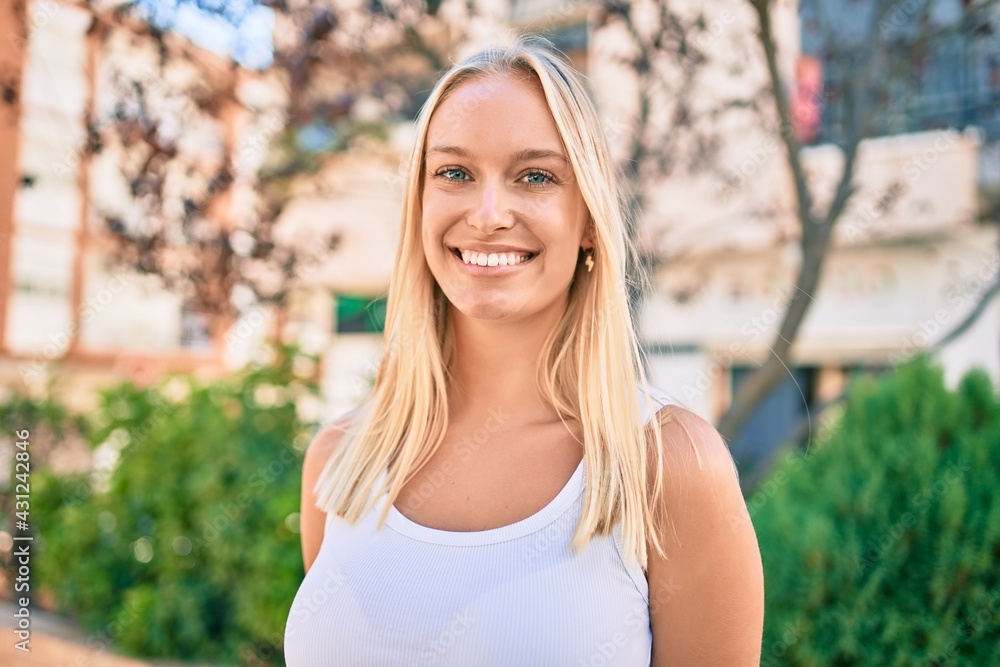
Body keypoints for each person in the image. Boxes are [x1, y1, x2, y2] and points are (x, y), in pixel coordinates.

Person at [283, 37, 764, 666]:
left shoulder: (667, 466)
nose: (488, 214)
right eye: (454, 173)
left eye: (534, 176)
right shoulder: (339, 462)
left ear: (589, 216)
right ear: (420, 203)